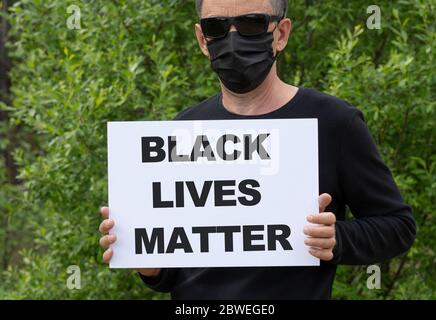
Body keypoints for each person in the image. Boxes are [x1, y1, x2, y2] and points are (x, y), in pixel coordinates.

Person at [98, 0, 416, 299]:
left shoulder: (334, 123)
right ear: (201, 39)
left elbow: (398, 226)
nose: (233, 40)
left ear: (281, 34)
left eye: (251, 24)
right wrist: (146, 259)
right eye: (216, 28)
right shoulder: (184, 128)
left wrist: (337, 239)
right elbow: (172, 273)